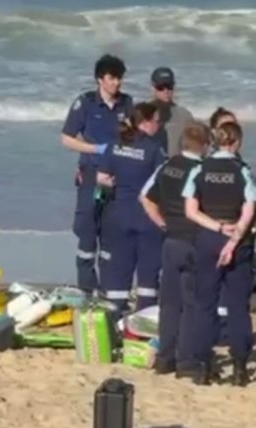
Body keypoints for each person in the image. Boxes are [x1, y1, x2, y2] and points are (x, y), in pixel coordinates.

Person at [182, 122, 256, 387]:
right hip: (237, 240)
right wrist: (235, 235)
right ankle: (240, 367)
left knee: (204, 304)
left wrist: (217, 228)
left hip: (208, 238)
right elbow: (250, 209)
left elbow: (191, 211)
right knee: (238, 306)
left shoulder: (199, 170)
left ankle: (205, 366)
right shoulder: (242, 171)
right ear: (237, 142)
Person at [140, 121, 210, 377]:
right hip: (194, 239)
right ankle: (186, 361)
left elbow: (146, 197)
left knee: (169, 303)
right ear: (204, 145)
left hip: (170, 239)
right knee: (191, 302)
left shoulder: (167, 166)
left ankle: (165, 357)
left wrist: (161, 222)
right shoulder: (202, 170)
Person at [61, 54, 134, 296]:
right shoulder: (86, 103)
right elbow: (67, 139)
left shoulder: (127, 104)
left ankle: (108, 290)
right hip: (91, 173)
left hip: (118, 176)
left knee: (113, 233)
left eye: (119, 78)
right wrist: (95, 149)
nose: (116, 84)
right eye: (112, 78)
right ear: (100, 79)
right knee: (86, 229)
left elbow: (134, 138)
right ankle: (87, 289)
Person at [96, 103, 166, 312]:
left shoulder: (115, 145)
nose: (158, 125)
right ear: (145, 123)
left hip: (118, 216)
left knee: (118, 272)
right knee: (147, 276)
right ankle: (144, 318)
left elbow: (102, 179)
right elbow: (162, 184)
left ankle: (116, 317)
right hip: (146, 218)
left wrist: (119, 184)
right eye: (156, 120)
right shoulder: (154, 149)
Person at [149, 67, 194, 157]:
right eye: (161, 87)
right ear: (153, 88)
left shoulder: (185, 116)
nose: (166, 91)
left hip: (175, 166)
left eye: (169, 87)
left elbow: (192, 146)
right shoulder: (142, 113)